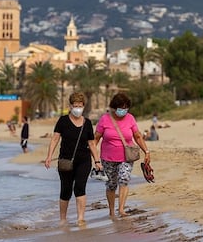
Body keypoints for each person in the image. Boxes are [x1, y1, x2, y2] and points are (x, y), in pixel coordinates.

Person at [44, 92, 102, 226]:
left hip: (84, 161)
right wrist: (49, 157)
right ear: (70, 106)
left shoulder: (87, 123)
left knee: (80, 188)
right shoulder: (63, 121)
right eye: (75, 106)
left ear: (83, 106)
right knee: (66, 189)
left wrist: (97, 161)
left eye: (80, 106)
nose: (77, 108)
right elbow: (55, 139)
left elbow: (92, 143)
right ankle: (63, 219)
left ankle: (80, 218)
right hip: (65, 161)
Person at [94, 92, 151, 217]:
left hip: (126, 156)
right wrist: (94, 156)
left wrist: (146, 151)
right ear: (115, 107)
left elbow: (137, 136)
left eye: (126, 107)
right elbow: (96, 138)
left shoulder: (130, 118)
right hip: (108, 158)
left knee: (124, 179)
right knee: (111, 184)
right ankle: (111, 211)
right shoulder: (105, 119)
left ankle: (121, 209)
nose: (124, 110)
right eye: (121, 108)